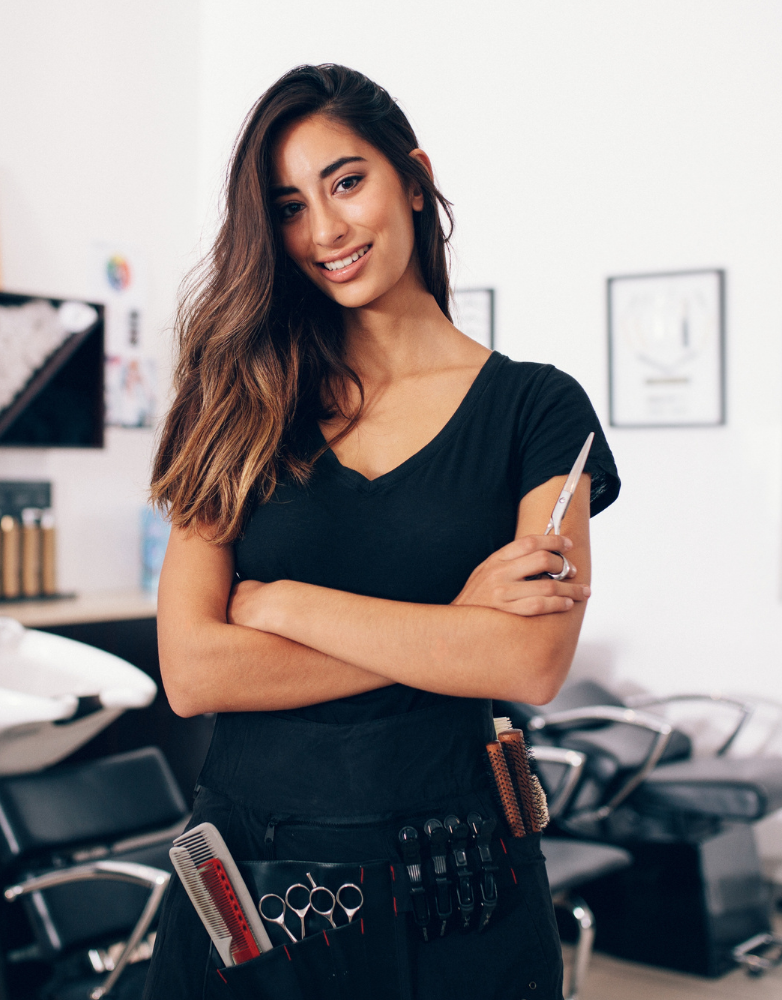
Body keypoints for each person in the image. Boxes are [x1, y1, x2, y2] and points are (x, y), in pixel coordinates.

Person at [144, 64, 619, 998]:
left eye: (346, 181)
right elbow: (194, 671)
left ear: (412, 175)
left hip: (461, 876)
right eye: (288, 206)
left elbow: (528, 664)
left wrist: (285, 605)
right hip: (253, 877)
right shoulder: (237, 399)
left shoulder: (540, 410)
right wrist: (454, 624)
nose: (325, 231)